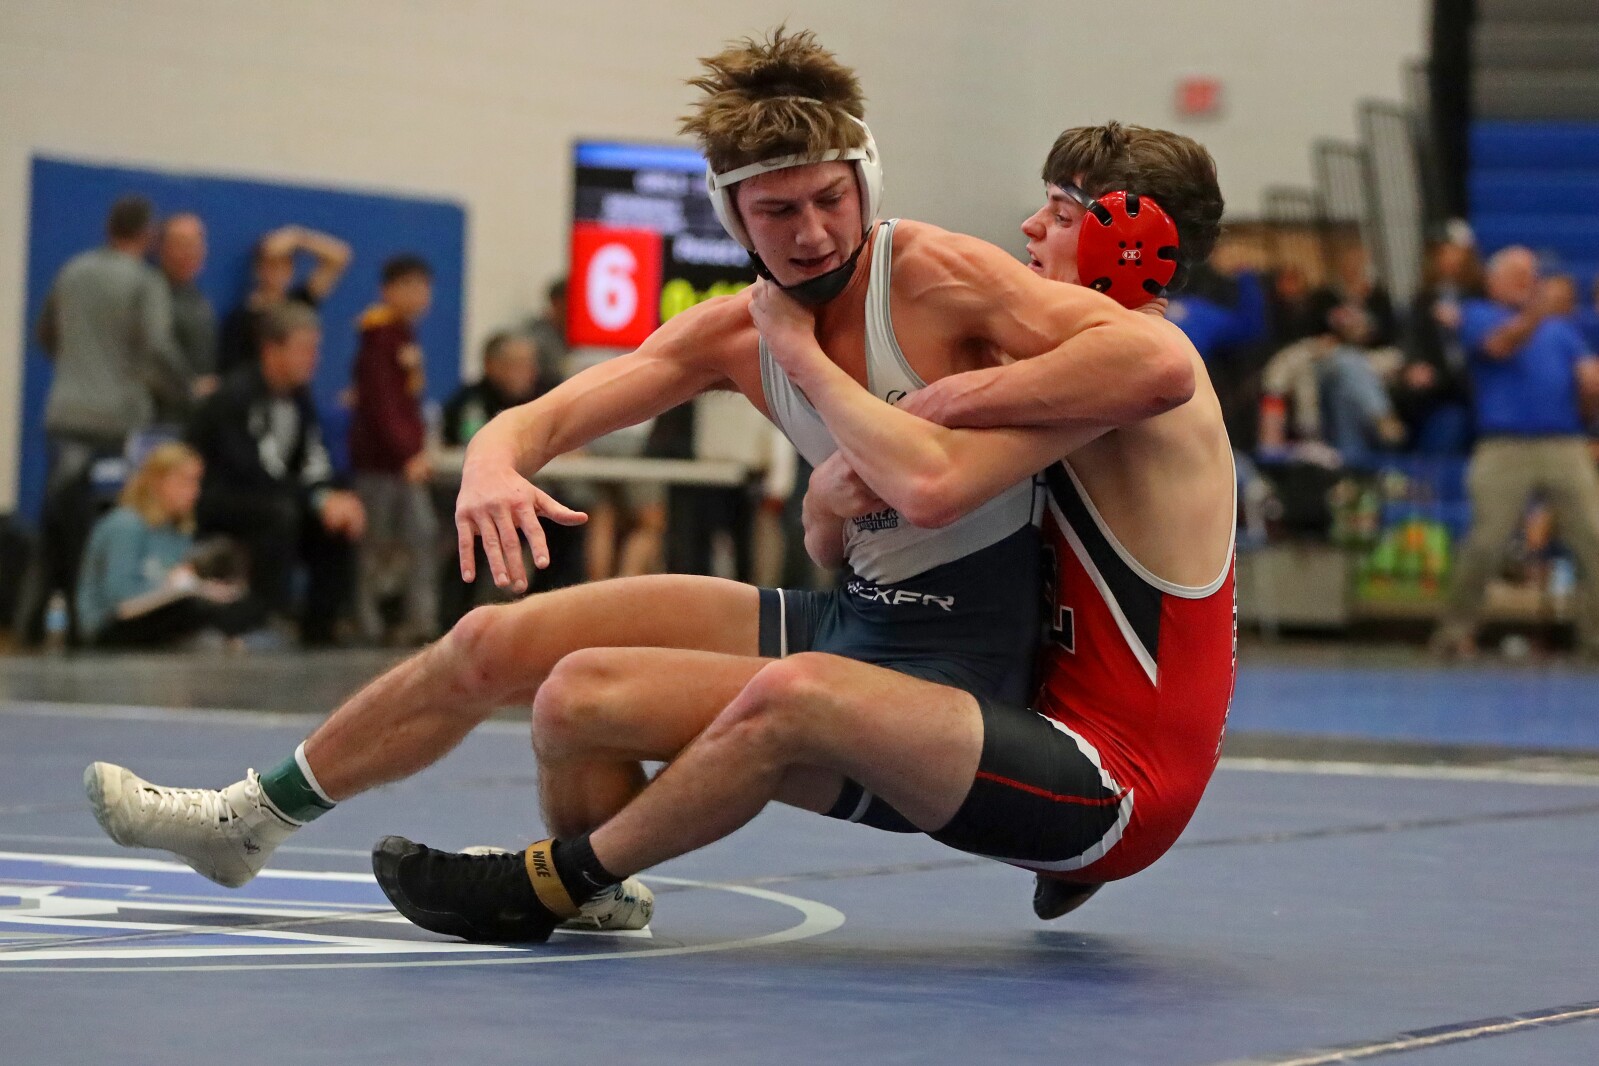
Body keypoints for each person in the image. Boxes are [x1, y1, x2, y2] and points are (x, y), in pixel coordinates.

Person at [82, 30, 1187, 927]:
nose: (810, 233)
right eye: (777, 212)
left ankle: (570, 877)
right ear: (731, 218)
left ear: (865, 185)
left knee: (584, 696)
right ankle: (249, 820)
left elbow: (1148, 354)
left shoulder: (944, 276)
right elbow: (547, 412)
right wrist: (491, 464)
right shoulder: (727, 331)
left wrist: (938, 401)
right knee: (493, 644)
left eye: (828, 202)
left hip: (944, 678)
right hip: (854, 615)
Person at [368, 122, 1236, 941]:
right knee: (592, 694)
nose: (1027, 226)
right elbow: (846, 522)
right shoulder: (1046, 363)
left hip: (1108, 780)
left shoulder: (1137, 374)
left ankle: (550, 883)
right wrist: (827, 499)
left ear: (1131, 239)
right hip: (1015, 726)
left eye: (1059, 213)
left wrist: (853, 379)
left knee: (793, 699)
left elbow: (944, 472)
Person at [19, 195, 183, 644]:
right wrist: (184, 392)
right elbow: (155, 348)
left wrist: (78, 367)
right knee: (106, 526)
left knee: (58, 521)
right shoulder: (145, 280)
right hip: (114, 423)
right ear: (147, 235)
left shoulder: (72, 270)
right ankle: (94, 623)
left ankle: (32, 624)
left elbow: (45, 333)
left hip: (65, 413)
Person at [1430, 246, 1599, 660]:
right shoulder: (1478, 316)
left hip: (1565, 442)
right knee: (1487, 540)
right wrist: (1539, 312)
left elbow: (1587, 380)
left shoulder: (1563, 331)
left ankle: (1594, 635)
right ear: (1494, 280)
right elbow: (1501, 346)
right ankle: (1456, 631)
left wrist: (1590, 392)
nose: (1528, 280)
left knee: (1593, 537)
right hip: (1504, 445)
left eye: (1531, 273)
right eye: (1518, 273)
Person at [187, 302, 365, 646]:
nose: (313, 359)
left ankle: (321, 627)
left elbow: (314, 460)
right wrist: (316, 498)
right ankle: (262, 615)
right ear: (271, 349)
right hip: (220, 499)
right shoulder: (236, 397)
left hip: (275, 495)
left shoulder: (300, 398)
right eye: (303, 349)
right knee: (280, 514)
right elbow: (251, 471)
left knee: (338, 519)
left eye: (316, 349)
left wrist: (334, 497)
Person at [75, 442, 264, 649]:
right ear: (157, 482)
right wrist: (188, 588)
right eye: (186, 482)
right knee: (195, 609)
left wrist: (202, 589)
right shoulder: (126, 525)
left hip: (158, 616)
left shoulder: (177, 530)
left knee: (239, 605)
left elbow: (179, 579)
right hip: (110, 627)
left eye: (197, 482)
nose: (195, 491)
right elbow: (122, 602)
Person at [349, 254, 438, 646]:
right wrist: (407, 453)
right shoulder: (379, 336)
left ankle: (420, 619)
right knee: (375, 545)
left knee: (420, 537)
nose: (423, 295)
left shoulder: (403, 335)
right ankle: (366, 623)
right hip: (382, 463)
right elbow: (382, 404)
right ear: (390, 290)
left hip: (402, 461)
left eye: (425, 286)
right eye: (413, 286)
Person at [216, 224, 351, 375]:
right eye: (272, 264)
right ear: (258, 268)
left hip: (294, 394)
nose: (278, 273)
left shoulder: (299, 304)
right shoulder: (241, 318)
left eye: (284, 265)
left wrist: (298, 238)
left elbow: (340, 257)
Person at [153, 212, 219, 422]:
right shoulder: (150, 295)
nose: (190, 252)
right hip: (157, 421)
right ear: (161, 249)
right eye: (181, 244)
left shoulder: (198, 298)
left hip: (196, 419)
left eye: (196, 244)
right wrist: (189, 386)